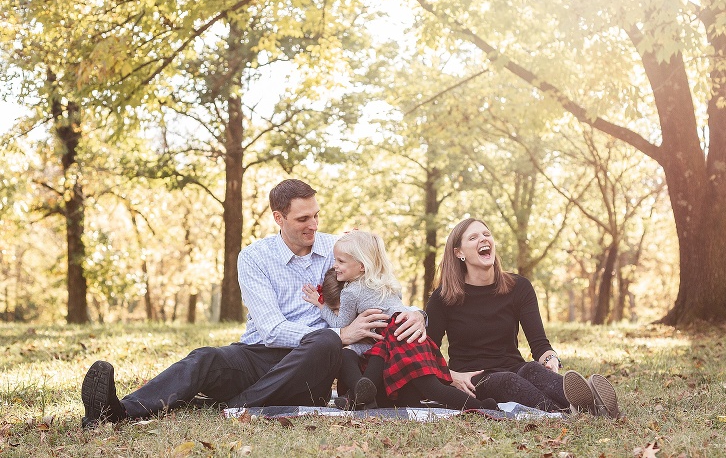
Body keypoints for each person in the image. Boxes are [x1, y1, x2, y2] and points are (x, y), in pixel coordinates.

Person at [80, 179, 427, 428]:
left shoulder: (338, 250)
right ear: (279, 218)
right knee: (206, 357)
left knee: (324, 339)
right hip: (261, 353)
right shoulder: (255, 257)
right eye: (303, 219)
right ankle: (117, 412)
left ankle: (238, 406)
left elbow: (379, 283)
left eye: (316, 216)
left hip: (315, 362)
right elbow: (271, 329)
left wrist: (416, 313)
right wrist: (343, 333)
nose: (314, 225)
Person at [425, 217, 621, 418]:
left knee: (533, 370)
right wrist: (452, 377)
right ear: (459, 252)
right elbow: (426, 353)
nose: (483, 239)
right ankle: (570, 413)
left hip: (514, 366)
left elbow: (540, 345)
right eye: (473, 237)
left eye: (486, 234)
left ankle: (593, 404)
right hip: (473, 378)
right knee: (507, 380)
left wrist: (550, 359)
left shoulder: (519, 287)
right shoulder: (444, 297)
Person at [303, 230, 499, 411]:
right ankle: (481, 405)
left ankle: (481, 407)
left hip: (396, 338)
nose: (334, 265)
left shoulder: (351, 292)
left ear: (361, 266)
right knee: (433, 388)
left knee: (429, 388)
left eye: (340, 261)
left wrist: (321, 306)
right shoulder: (388, 285)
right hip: (408, 332)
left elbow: (341, 325)